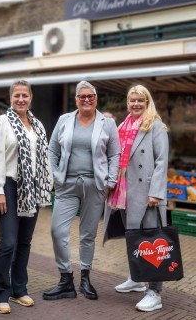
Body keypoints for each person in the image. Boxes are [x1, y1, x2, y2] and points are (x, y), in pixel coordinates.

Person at [43, 80, 120, 301]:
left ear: (96, 98)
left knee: (88, 234)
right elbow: (52, 149)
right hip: (66, 185)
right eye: (82, 96)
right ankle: (66, 279)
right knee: (58, 232)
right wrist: (56, 176)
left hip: (96, 186)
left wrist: (110, 181)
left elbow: (115, 154)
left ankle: (85, 278)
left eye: (91, 96)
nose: (87, 100)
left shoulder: (107, 124)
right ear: (76, 99)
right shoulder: (64, 120)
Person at [0, 80, 53, 314]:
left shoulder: (37, 125)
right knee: (8, 243)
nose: (21, 99)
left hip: (31, 189)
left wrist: (46, 186)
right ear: (10, 98)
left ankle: (19, 290)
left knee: (25, 242)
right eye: (17, 96)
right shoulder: (1, 122)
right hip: (8, 187)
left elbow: (43, 159)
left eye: (25, 95)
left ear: (31, 98)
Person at [102, 84, 169, 312]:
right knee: (133, 238)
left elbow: (161, 161)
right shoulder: (123, 125)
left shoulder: (155, 126)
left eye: (140, 100)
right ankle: (137, 278)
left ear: (147, 102)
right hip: (124, 193)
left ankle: (155, 292)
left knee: (151, 242)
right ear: (127, 103)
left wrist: (156, 193)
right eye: (132, 100)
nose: (136, 104)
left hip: (146, 194)